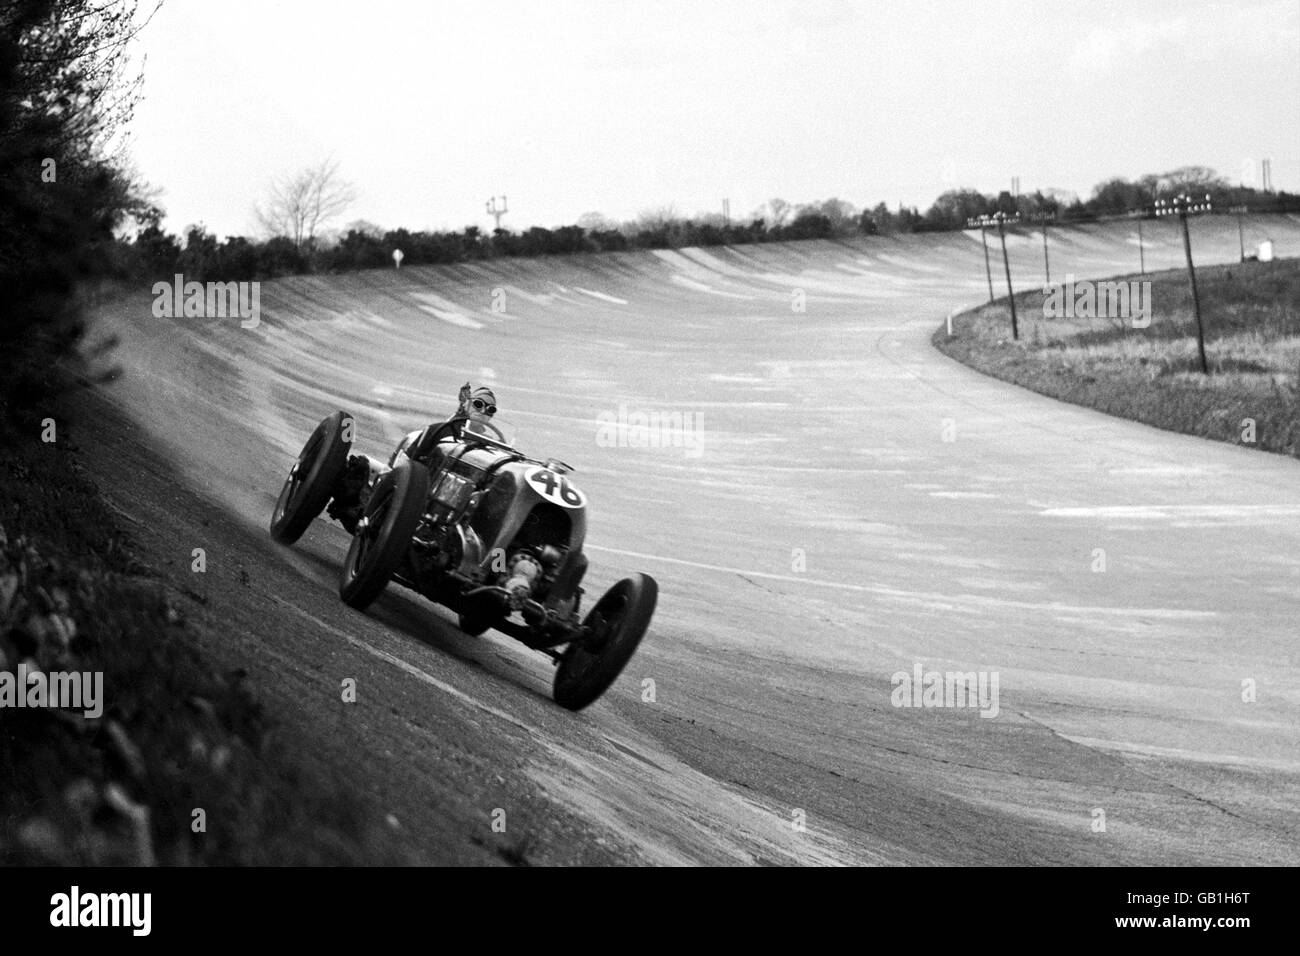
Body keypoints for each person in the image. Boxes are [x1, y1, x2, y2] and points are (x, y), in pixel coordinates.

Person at [327, 382, 499, 531]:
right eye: (478, 404)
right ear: (467, 404)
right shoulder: (440, 430)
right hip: (417, 493)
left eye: (490, 409)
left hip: (457, 508)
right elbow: (406, 465)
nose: (483, 411)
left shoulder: (490, 448)